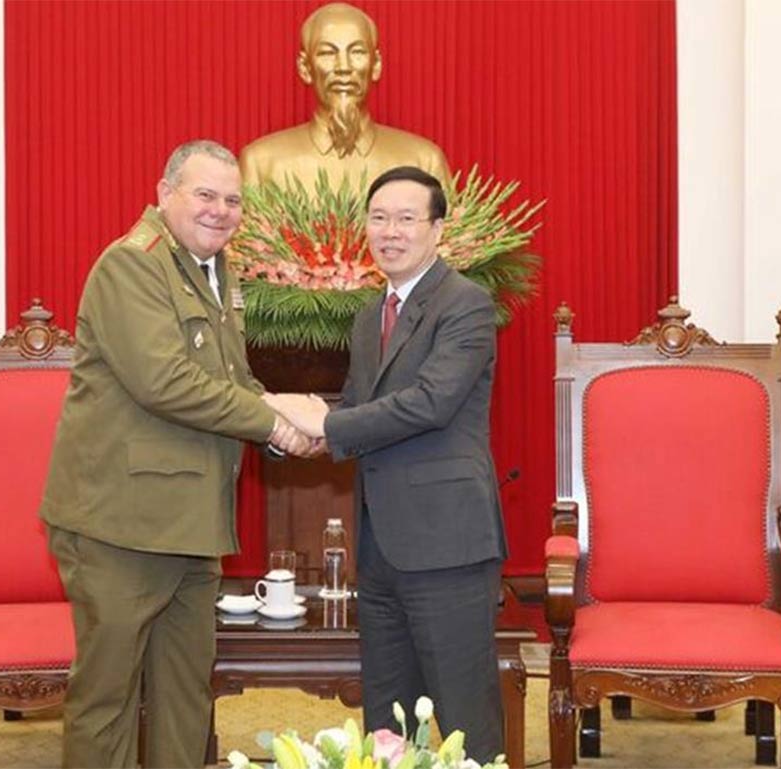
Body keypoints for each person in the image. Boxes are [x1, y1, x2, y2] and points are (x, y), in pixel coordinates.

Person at [39, 140, 308, 768]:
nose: (221, 211)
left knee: (185, 696)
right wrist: (274, 420)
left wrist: (283, 420)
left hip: (192, 519)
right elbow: (165, 382)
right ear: (165, 194)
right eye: (205, 194)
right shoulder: (131, 266)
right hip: (122, 524)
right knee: (108, 698)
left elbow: (230, 377)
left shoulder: (215, 268)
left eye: (233, 200)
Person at [266, 166, 507, 763]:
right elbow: (361, 411)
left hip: (448, 546)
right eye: (378, 218)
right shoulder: (370, 315)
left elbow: (430, 402)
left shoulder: (466, 305)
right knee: (387, 720)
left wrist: (323, 423)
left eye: (405, 219)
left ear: (437, 229)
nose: (389, 232)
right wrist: (292, 434)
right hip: (380, 550)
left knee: (463, 719)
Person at [239, 2, 449, 193]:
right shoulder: (261, 164)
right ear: (305, 68)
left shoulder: (424, 161)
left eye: (357, 52)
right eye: (327, 53)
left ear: (376, 65)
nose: (343, 67)